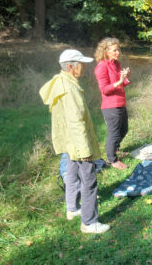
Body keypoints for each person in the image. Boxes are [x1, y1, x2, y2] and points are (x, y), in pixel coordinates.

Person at [39, 49, 110, 234]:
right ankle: (89, 222)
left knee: (71, 172)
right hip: (77, 142)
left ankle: (72, 208)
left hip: (68, 141)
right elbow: (76, 120)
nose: (84, 67)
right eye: (81, 64)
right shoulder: (69, 88)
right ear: (71, 66)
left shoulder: (60, 81)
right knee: (89, 179)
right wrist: (85, 150)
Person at [94, 37, 131, 170]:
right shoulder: (101, 66)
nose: (118, 52)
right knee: (114, 133)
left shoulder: (116, 64)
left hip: (121, 102)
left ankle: (115, 149)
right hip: (110, 106)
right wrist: (120, 81)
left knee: (124, 129)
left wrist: (125, 78)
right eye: (114, 50)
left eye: (118, 49)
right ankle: (112, 159)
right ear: (106, 51)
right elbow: (104, 89)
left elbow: (122, 83)